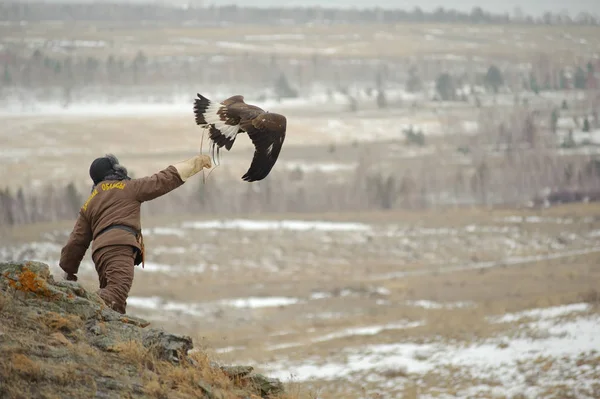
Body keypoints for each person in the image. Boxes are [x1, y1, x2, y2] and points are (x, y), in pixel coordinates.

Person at [58, 153, 212, 314]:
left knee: (114, 304)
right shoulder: (128, 187)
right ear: (116, 170)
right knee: (116, 294)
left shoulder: (89, 202)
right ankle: (81, 313)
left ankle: (107, 332)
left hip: (100, 254)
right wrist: (196, 163)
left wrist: (69, 270)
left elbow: (76, 241)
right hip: (119, 247)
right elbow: (162, 179)